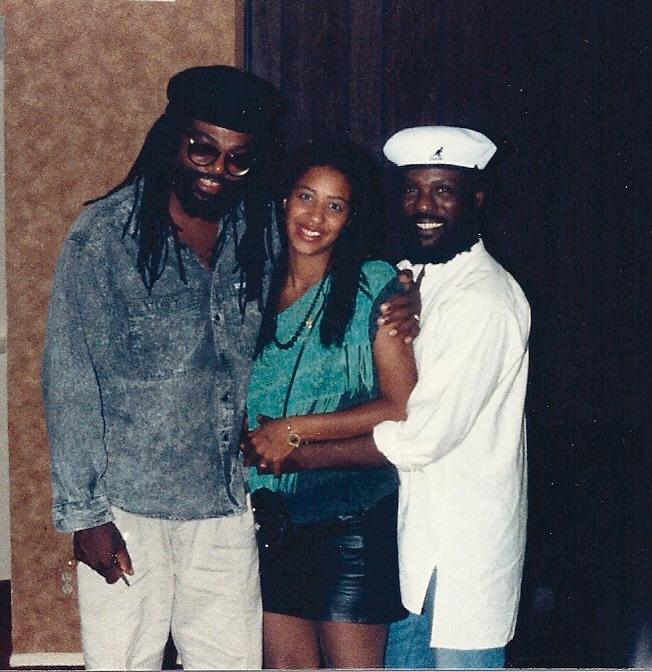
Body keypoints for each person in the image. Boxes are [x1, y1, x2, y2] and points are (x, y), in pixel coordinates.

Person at [42, 65, 419, 670]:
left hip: (226, 506)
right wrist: (86, 517)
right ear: (173, 139)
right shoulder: (103, 239)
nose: (217, 170)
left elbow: (333, 256)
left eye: (237, 159)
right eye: (203, 149)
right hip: (129, 509)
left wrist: (403, 288)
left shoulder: (258, 230)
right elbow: (69, 382)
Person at [253, 126, 531, 669]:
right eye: (412, 191)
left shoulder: (486, 301)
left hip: (458, 548)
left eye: (443, 191)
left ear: (476, 198)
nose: (424, 206)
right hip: (410, 541)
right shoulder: (416, 278)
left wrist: (294, 447)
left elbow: (419, 437)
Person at [242, 142, 417, 669]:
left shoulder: (373, 284)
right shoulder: (249, 284)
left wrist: (294, 429)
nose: (315, 217)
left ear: (350, 218)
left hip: (351, 521)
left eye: (334, 206)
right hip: (268, 523)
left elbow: (401, 406)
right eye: (306, 197)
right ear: (284, 200)